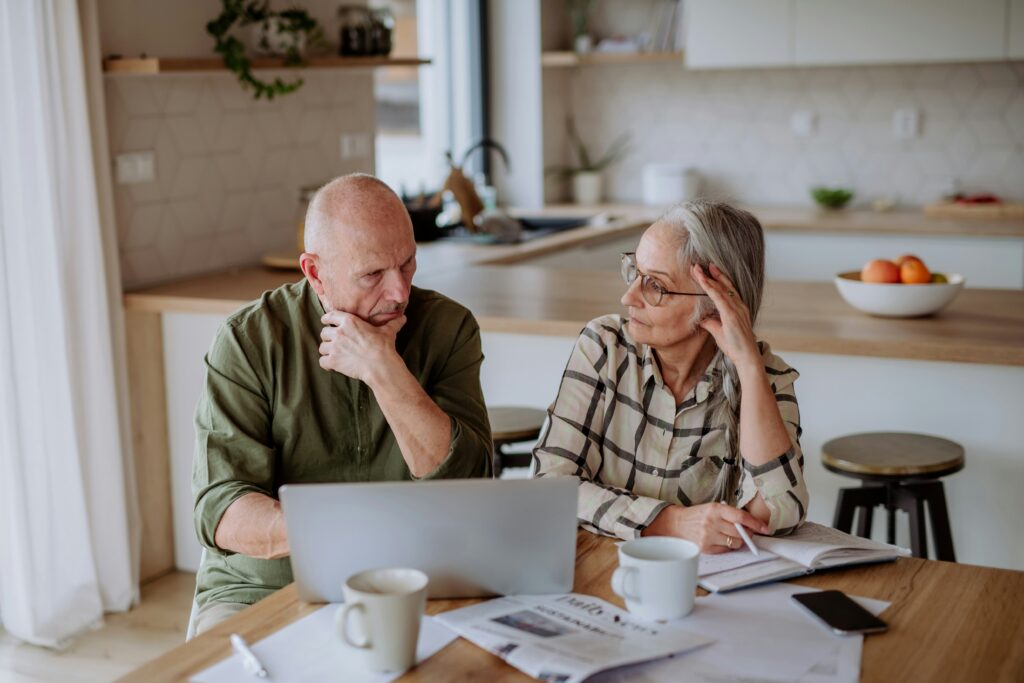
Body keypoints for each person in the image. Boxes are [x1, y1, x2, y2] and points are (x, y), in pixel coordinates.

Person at [190, 174, 492, 635]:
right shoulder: (249, 339)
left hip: (411, 581)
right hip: (263, 590)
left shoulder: (449, 329)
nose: (399, 292)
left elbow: (468, 485)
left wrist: (383, 368)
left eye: (408, 264)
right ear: (315, 272)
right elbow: (222, 511)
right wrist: (354, 528)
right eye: (372, 274)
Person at [533, 200, 808, 553]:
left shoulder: (766, 376)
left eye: (655, 286)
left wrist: (748, 366)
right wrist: (671, 521)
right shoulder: (604, 347)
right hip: (597, 562)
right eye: (635, 272)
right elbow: (550, 485)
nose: (628, 296)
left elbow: (779, 512)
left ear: (714, 302)